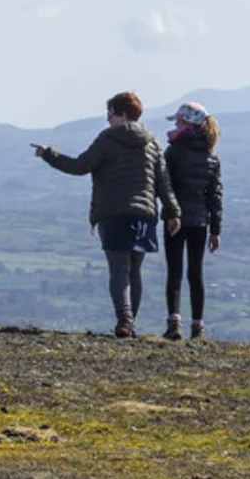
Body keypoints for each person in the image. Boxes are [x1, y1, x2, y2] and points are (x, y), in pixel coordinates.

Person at [31, 91, 180, 338]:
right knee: (135, 271)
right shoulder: (152, 143)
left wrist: (48, 154)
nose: (108, 119)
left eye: (110, 114)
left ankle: (124, 321)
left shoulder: (108, 139)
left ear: (121, 114)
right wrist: (173, 211)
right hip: (144, 214)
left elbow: (79, 166)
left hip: (113, 212)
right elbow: (163, 182)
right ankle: (130, 323)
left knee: (119, 270)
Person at [161, 101, 224, 341]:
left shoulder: (174, 151)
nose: (175, 125)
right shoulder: (211, 156)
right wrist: (216, 230)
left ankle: (173, 322)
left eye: (178, 121)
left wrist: (171, 212)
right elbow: (215, 196)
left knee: (174, 271)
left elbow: (165, 186)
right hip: (200, 222)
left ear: (187, 122)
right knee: (196, 273)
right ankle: (198, 326)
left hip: (174, 220)